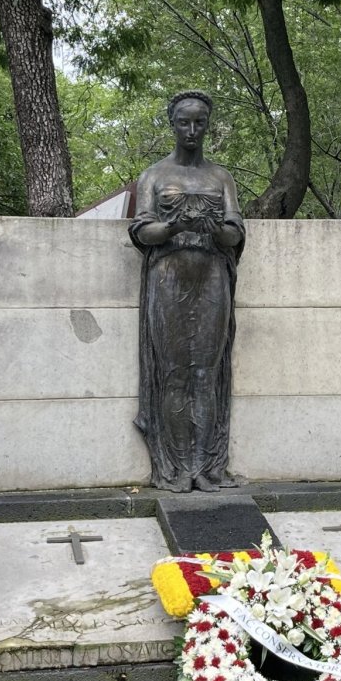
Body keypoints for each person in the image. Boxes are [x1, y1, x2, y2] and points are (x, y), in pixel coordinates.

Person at [128, 90, 245, 493]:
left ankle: (205, 466)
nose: (192, 130)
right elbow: (142, 231)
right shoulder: (154, 175)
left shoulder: (221, 177)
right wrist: (176, 225)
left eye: (199, 122)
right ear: (172, 123)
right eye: (184, 122)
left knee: (205, 375)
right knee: (175, 374)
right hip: (169, 277)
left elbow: (234, 233)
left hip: (212, 276)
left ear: (207, 125)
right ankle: (177, 466)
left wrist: (213, 227)